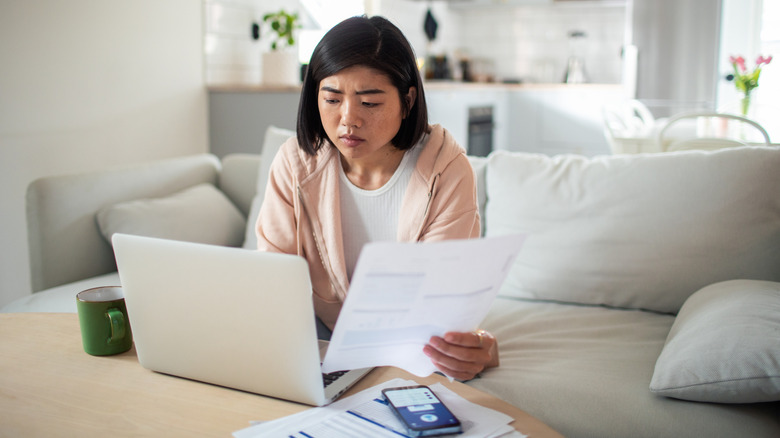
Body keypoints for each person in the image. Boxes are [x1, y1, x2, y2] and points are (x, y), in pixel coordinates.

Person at [256, 15, 498, 381]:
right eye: (332, 99)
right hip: (318, 343)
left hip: (409, 349)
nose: (348, 120)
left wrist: (474, 345)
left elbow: (439, 305)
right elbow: (273, 282)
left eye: (369, 103)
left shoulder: (446, 170)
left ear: (408, 99)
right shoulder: (295, 164)